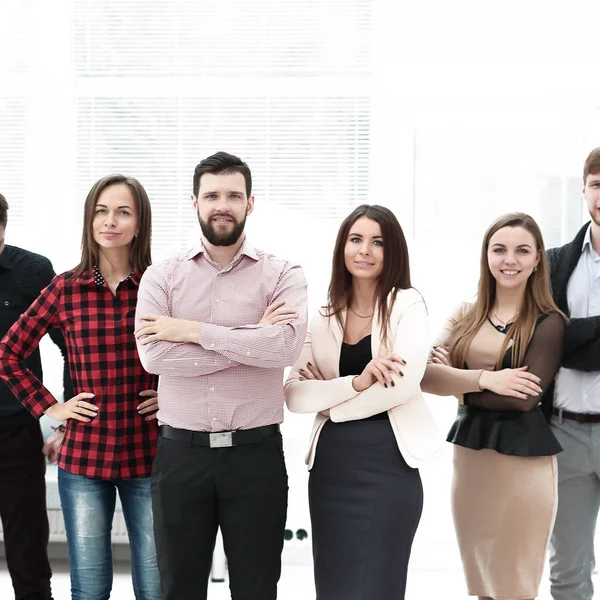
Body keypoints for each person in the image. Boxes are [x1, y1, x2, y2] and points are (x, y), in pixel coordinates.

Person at [133, 150, 308, 600]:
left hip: (256, 457)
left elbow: (285, 348)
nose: (222, 205)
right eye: (212, 195)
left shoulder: (283, 273)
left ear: (251, 203)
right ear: (194, 201)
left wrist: (191, 331)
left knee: (256, 588)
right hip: (181, 457)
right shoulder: (163, 276)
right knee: (178, 589)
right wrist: (252, 343)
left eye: (234, 195)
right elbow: (155, 357)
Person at [0, 175, 161, 600]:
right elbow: (8, 354)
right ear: (89, 220)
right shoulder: (64, 289)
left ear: (139, 223)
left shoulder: (161, 287)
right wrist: (50, 408)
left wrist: (172, 397)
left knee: (155, 586)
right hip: (85, 459)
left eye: (123, 212)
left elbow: (192, 356)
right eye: (101, 211)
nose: (111, 221)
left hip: (151, 454)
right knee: (88, 588)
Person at [284, 204, 442, 600]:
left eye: (377, 242)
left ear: (393, 252)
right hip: (332, 466)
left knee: (379, 585)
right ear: (342, 247)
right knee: (334, 585)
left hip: (389, 462)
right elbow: (294, 395)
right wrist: (357, 381)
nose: (364, 250)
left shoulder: (407, 304)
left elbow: (403, 386)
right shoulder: (320, 316)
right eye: (356, 239)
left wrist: (331, 402)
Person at [421, 212, 565, 600]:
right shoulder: (464, 314)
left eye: (522, 250)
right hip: (471, 465)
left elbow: (524, 399)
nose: (509, 260)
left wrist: (458, 380)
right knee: (482, 583)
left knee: (515, 585)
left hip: (523, 468)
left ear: (537, 259)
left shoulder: (547, 322)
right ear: (486, 255)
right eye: (499, 249)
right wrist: (486, 379)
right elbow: (425, 377)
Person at [0, 192, 72, 600]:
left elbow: (71, 347)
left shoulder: (32, 271)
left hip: (16, 433)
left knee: (28, 561)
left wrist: (65, 420)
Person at [546, 146, 600, 600]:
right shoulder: (553, 262)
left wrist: (573, 336)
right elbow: (546, 342)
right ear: (584, 189)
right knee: (568, 570)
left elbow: (565, 339)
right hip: (565, 434)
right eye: (598, 183)